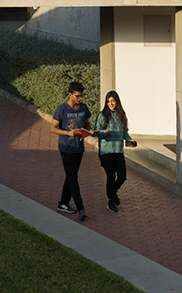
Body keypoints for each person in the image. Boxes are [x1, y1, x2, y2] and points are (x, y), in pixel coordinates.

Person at [50, 81, 92, 220]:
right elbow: (53, 128)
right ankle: (81, 209)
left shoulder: (83, 108)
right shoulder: (61, 109)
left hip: (79, 148)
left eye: (81, 96)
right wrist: (69, 133)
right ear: (70, 94)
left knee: (71, 176)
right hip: (66, 148)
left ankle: (63, 203)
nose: (80, 99)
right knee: (73, 178)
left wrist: (90, 131)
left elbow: (86, 124)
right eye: (77, 96)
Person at [93, 90, 136, 213]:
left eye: (113, 101)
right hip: (106, 152)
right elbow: (96, 132)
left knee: (122, 176)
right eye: (108, 101)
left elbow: (125, 133)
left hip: (118, 151)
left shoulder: (121, 115)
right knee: (111, 176)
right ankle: (111, 200)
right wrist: (104, 133)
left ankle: (113, 191)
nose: (111, 104)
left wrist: (130, 140)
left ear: (117, 102)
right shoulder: (102, 116)